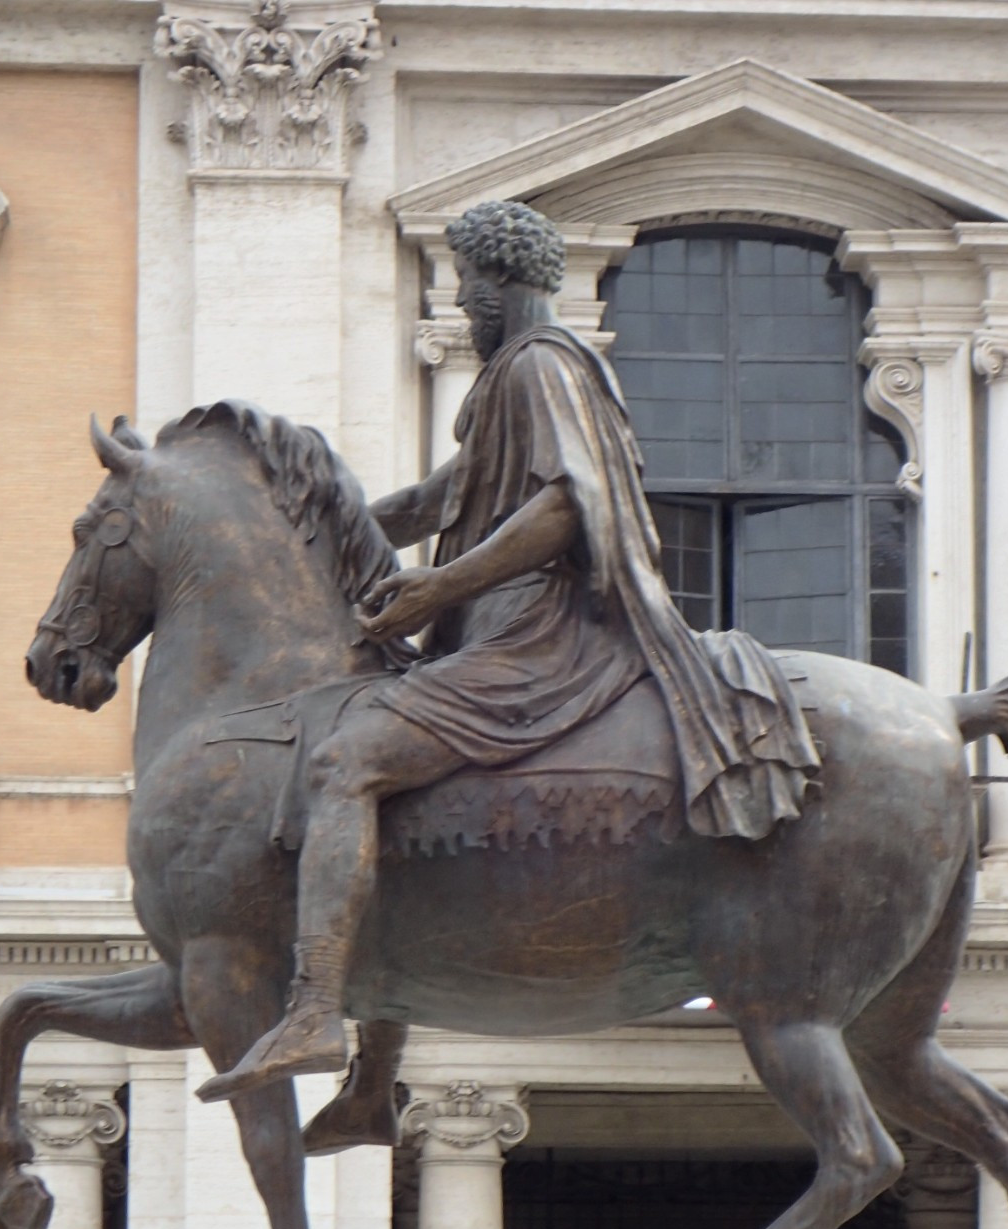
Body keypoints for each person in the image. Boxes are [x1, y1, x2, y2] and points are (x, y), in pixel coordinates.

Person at [199, 200, 818, 1102]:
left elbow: (567, 508)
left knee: (346, 766)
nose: (461, 304)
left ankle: (315, 1012)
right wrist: (306, 546)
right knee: (397, 798)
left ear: (500, 282)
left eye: (467, 285)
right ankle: (374, 1087)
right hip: (499, 630)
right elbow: (433, 502)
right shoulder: (505, 385)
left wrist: (437, 588)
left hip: (539, 638)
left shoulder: (542, 366)